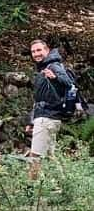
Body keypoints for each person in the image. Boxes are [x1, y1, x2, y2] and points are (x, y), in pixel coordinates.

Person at [26, 39, 74, 179]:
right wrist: (31, 121)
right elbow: (39, 98)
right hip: (46, 117)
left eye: (39, 50)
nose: (36, 54)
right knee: (50, 156)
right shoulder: (43, 68)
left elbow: (69, 84)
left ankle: (31, 190)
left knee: (35, 156)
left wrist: (55, 77)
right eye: (33, 51)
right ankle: (65, 187)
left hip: (48, 117)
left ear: (47, 50)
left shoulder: (53, 66)